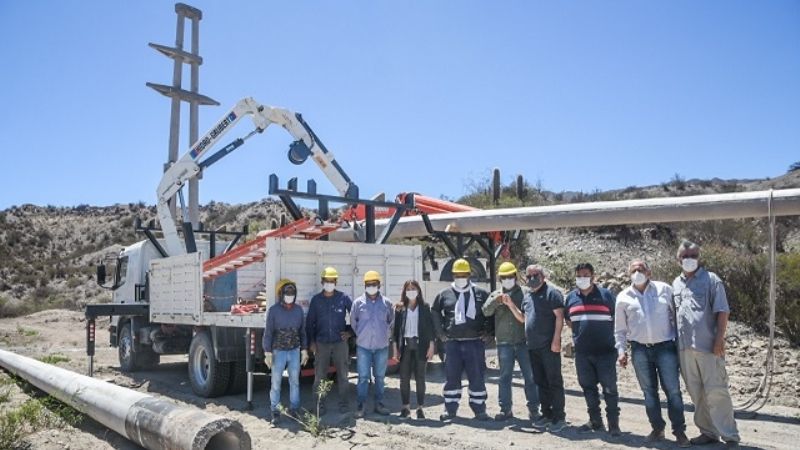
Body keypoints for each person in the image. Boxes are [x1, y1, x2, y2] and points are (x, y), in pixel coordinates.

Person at [673, 240, 740, 448]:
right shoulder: (675, 283)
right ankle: (708, 432)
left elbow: (723, 310)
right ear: (678, 260)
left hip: (709, 347)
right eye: (685, 256)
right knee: (697, 393)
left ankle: (730, 436)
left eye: (693, 255)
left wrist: (719, 339)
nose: (689, 259)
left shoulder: (712, 280)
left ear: (699, 258)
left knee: (717, 391)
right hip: (685, 349)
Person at [615, 260, 689, 446]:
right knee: (649, 392)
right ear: (628, 273)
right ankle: (657, 429)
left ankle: (679, 432)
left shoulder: (664, 289)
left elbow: (677, 319)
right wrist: (621, 351)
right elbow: (620, 329)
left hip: (666, 348)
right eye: (634, 269)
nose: (637, 272)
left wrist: (681, 346)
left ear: (649, 272)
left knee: (673, 391)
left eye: (641, 269)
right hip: (639, 350)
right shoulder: (623, 297)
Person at [506, 264, 567, 432]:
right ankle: (546, 414)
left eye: (536, 275)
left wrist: (556, 340)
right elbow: (523, 319)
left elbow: (559, 317)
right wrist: (511, 305)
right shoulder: (528, 296)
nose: (532, 278)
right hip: (532, 347)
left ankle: (559, 417)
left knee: (554, 381)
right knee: (540, 382)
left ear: (543, 276)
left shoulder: (552, 294)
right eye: (529, 275)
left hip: (549, 346)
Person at [431, 258, 492, 422]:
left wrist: (489, 332)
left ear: (469, 274)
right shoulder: (444, 294)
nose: (461, 277)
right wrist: (440, 333)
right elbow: (435, 312)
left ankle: (480, 410)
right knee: (452, 378)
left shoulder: (480, 293)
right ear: (453, 275)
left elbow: (491, 312)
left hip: (474, 343)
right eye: (458, 274)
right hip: (453, 344)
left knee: (477, 377)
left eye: (464, 274)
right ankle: (450, 409)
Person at [565, 262, 621, 436]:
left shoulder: (606, 295)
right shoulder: (570, 298)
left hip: (605, 352)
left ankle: (614, 425)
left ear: (593, 276)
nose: (583, 278)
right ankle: (595, 421)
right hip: (582, 353)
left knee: (610, 389)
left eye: (586, 275)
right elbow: (569, 321)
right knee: (588, 388)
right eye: (579, 275)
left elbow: (617, 318)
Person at [482, 261, 540, 422]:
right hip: (504, 343)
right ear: (500, 278)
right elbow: (486, 311)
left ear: (515, 276)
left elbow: (529, 315)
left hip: (523, 342)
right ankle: (505, 410)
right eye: (504, 277)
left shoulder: (526, 293)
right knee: (505, 377)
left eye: (510, 276)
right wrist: (497, 301)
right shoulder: (495, 294)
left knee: (530, 377)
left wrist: (511, 304)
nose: (507, 279)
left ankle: (534, 410)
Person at [306, 266, 353, 414]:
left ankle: (344, 405)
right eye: (327, 281)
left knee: (343, 375)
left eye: (332, 281)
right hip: (321, 343)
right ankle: (319, 405)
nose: (329, 283)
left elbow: (357, 316)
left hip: (340, 343)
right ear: (322, 281)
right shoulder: (316, 300)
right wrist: (312, 342)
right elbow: (309, 323)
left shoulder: (343, 298)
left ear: (336, 282)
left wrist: (350, 332)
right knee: (320, 376)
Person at [263, 279, 308, 424]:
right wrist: (267, 352)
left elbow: (302, 332)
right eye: (287, 293)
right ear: (281, 294)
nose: (290, 295)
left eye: (292, 293)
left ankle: (294, 409)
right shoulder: (274, 311)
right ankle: (275, 411)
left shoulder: (298, 310)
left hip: (294, 351)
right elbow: (268, 332)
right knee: (275, 383)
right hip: (278, 352)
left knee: (294, 381)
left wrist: (304, 350)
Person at [351, 270, 394, 418]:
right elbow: (353, 322)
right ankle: (361, 404)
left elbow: (391, 322)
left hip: (382, 347)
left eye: (374, 284)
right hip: (363, 347)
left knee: (380, 377)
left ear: (379, 285)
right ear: (364, 285)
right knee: (362, 377)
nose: (371, 287)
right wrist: (362, 336)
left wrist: (384, 337)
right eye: (368, 284)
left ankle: (379, 403)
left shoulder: (387, 303)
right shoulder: (358, 303)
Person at [392, 280, 436, 419]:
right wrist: (395, 349)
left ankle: (420, 408)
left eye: (413, 288)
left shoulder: (424, 307)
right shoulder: (400, 308)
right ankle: (405, 407)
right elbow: (396, 331)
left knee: (420, 378)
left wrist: (431, 346)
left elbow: (430, 328)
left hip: (420, 346)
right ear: (405, 292)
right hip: (405, 346)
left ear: (418, 291)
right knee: (404, 378)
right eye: (408, 289)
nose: (411, 291)